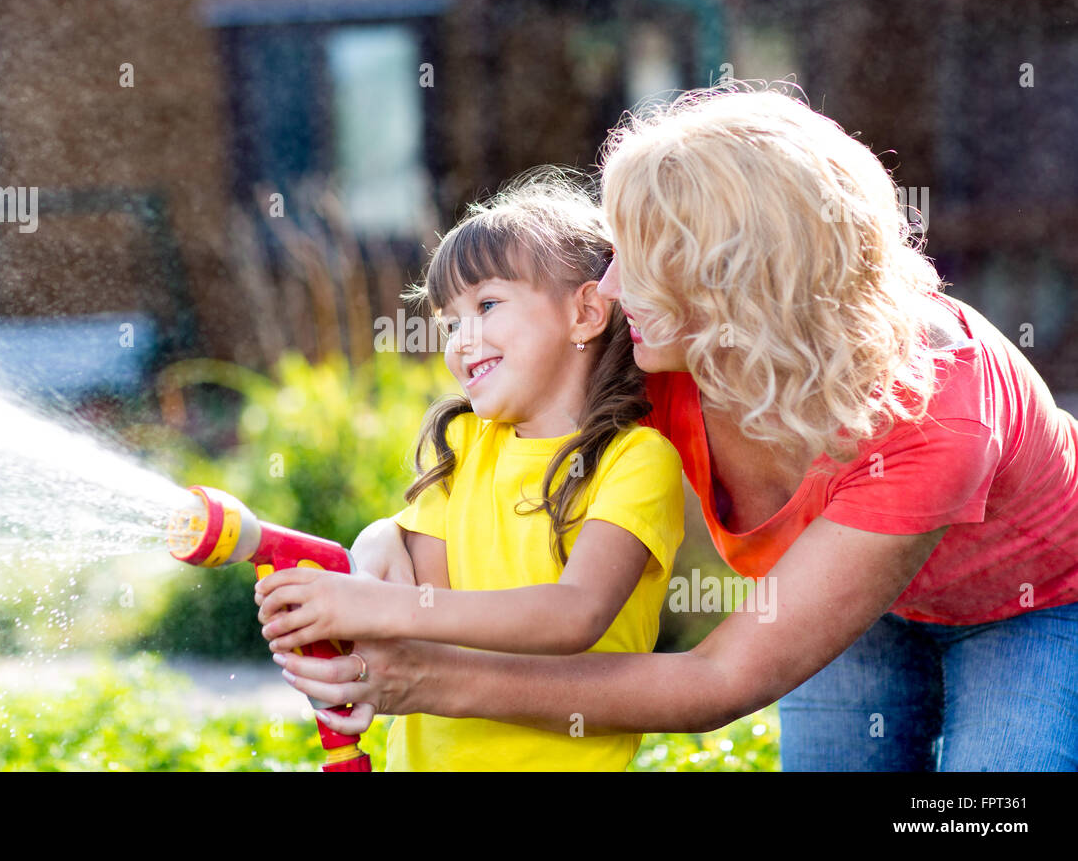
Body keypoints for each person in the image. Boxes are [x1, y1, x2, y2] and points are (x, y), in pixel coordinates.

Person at [256, 84, 1078, 771]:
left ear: (734, 275)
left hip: (1029, 604)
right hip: (840, 599)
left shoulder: (938, 410)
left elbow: (716, 681)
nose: (609, 284)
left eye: (641, 254)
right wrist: (378, 568)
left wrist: (422, 680)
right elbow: (483, 470)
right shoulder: (662, 353)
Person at [255, 170, 685, 770]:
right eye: (450, 321)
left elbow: (575, 614)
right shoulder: (461, 445)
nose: (462, 339)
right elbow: (427, 620)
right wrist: (356, 616)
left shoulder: (636, 462)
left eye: (486, 305)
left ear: (586, 312)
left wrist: (367, 605)